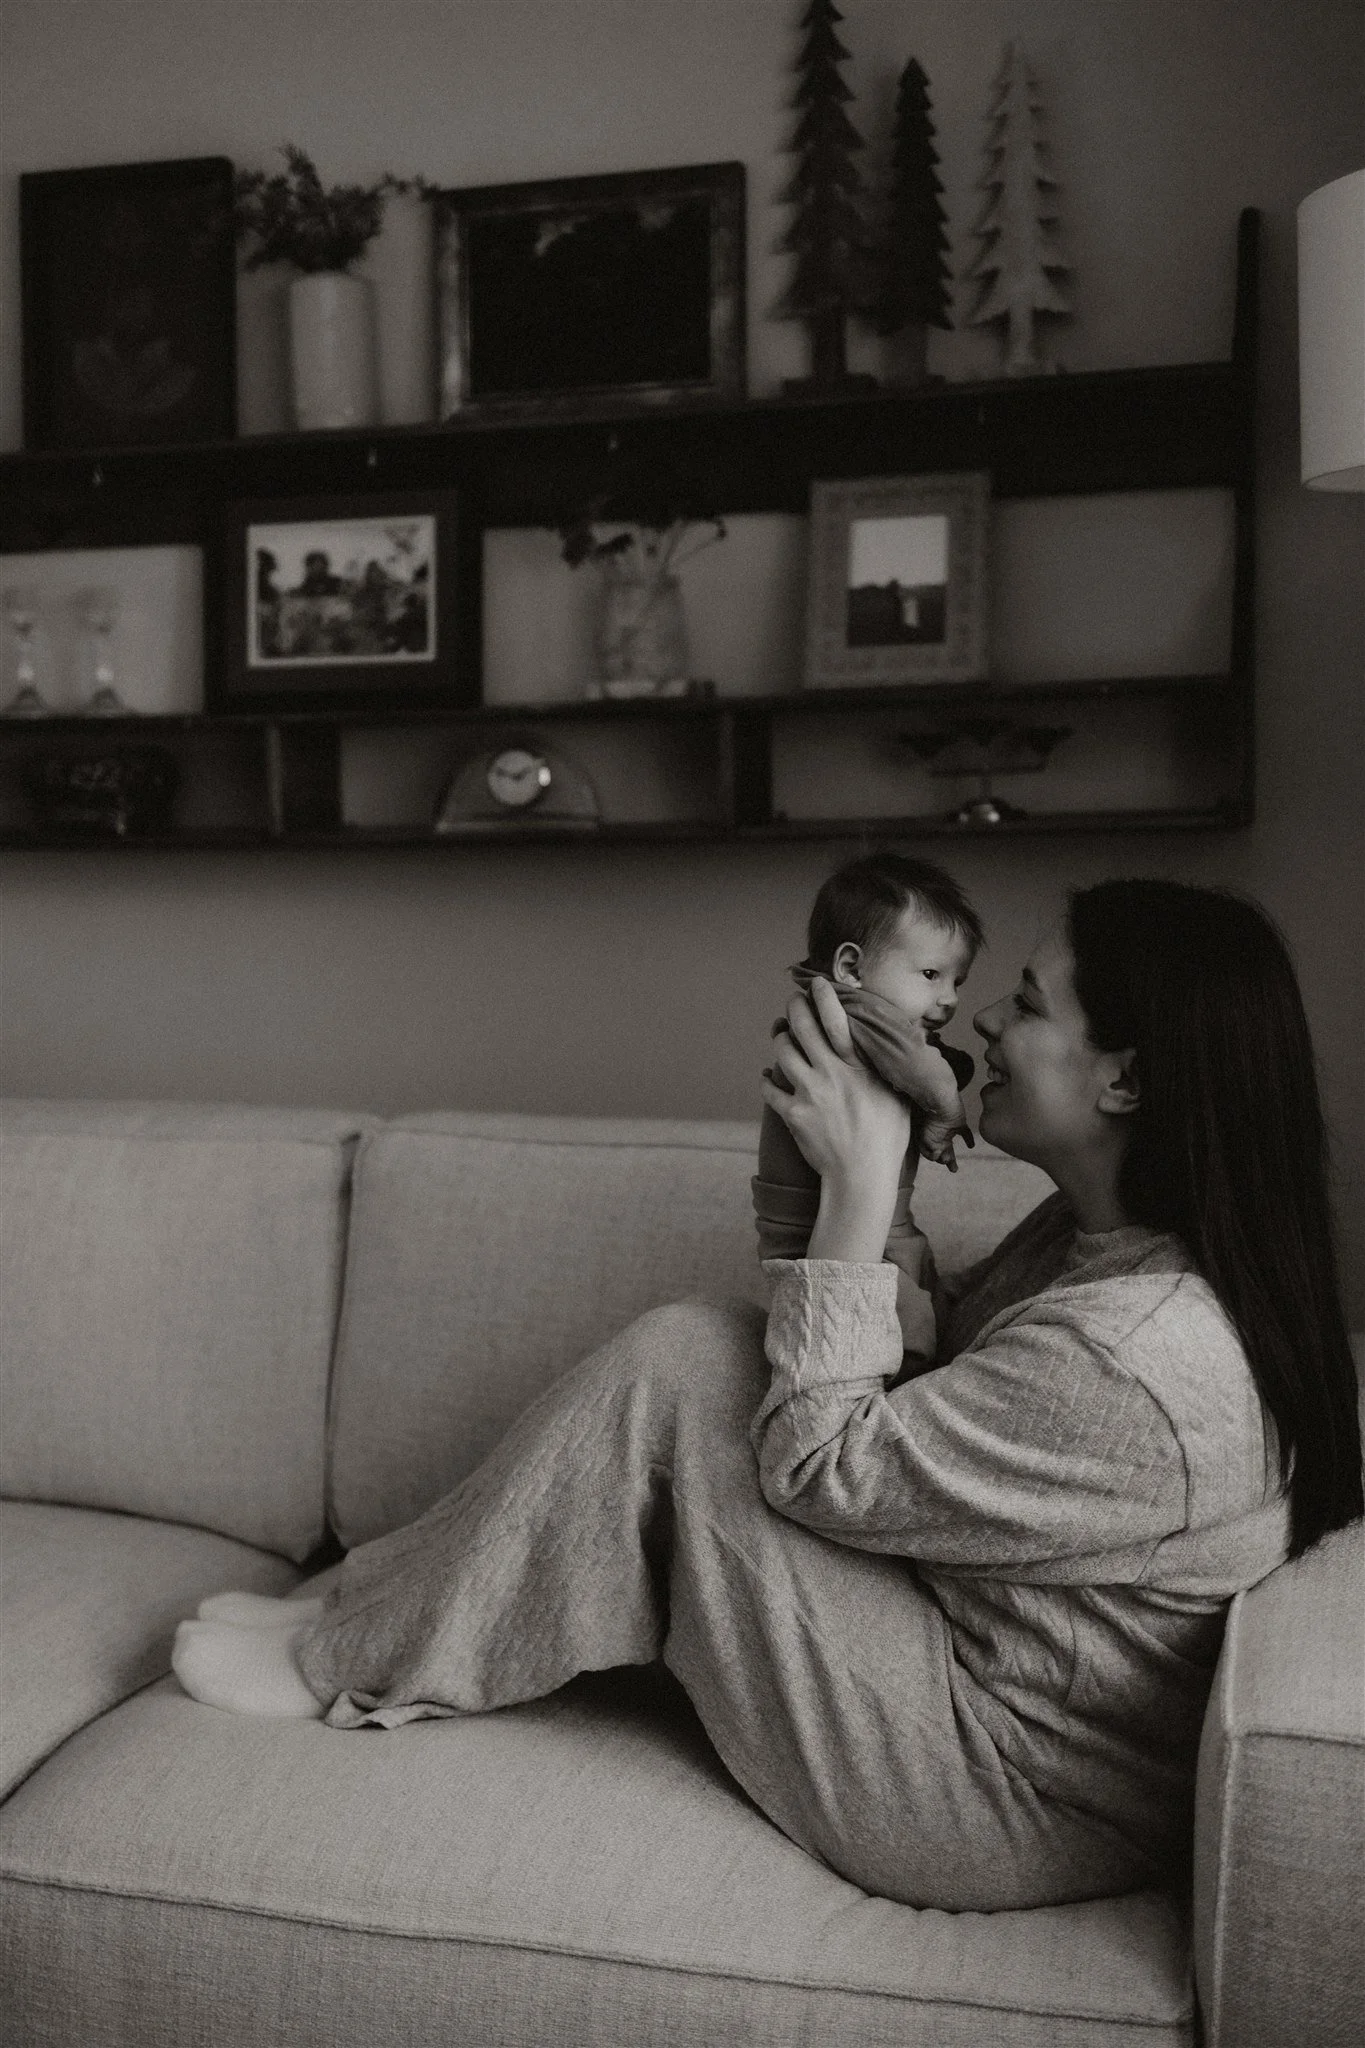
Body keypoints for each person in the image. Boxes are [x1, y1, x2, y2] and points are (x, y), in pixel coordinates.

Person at [172, 879, 1362, 1914]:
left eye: (1033, 1005)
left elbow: (823, 1464)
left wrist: (852, 1182)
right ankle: (374, 1610)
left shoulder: (1141, 1359)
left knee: (688, 1370)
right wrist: (894, 1156)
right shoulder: (1113, 1241)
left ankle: (350, 1653)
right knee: (706, 1355)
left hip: (996, 1787)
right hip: (966, 1646)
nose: (987, 1014)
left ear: (1127, 1081)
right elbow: (934, 1385)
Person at [752, 850, 983, 1366]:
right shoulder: (854, 1010)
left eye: (956, 981)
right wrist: (948, 1109)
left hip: (868, 1226)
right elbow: (924, 1070)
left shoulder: (855, 1022)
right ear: (851, 966)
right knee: (912, 1334)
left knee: (925, 1297)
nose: (949, 999)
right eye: (931, 974)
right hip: (827, 1231)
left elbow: (924, 1065)